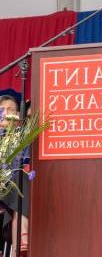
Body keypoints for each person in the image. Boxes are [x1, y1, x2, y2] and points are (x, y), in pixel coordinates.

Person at [0, 90, 29, 257]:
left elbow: (25, 161)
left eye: (11, 109)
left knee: (20, 177)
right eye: (2, 109)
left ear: (18, 114)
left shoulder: (23, 136)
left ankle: (20, 242)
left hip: (11, 185)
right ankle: (20, 240)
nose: (6, 113)